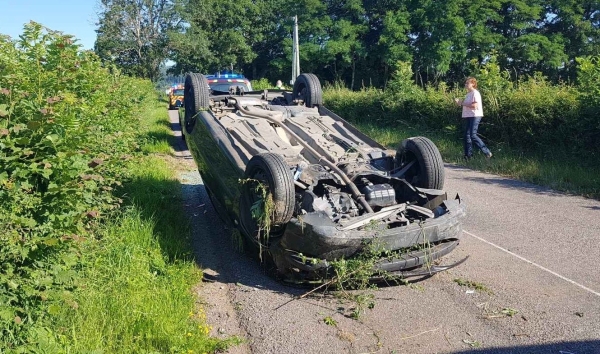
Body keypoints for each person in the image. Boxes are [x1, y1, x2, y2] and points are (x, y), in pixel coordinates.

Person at [454, 77, 492, 160]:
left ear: (473, 84)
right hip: (468, 115)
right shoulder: (468, 94)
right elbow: (466, 104)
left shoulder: (475, 93)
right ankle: (468, 156)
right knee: (466, 136)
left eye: (468, 83)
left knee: (473, 135)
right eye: (466, 83)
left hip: (475, 115)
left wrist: (462, 103)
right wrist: (460, 103)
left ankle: (487, 152)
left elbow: (475, 105)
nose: (466, 84)